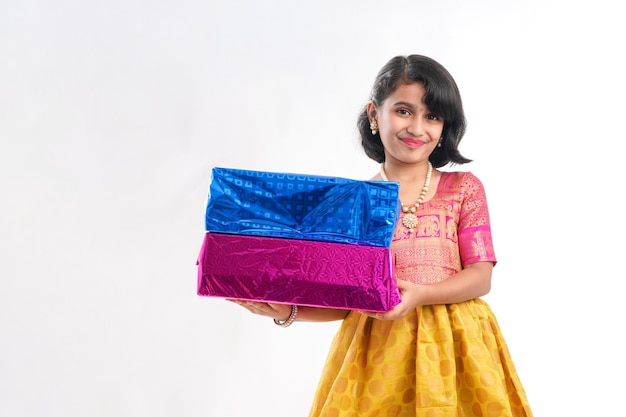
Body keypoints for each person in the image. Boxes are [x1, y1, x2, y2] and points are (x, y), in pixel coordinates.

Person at [229, 54, 533, 417]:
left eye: (432, 116)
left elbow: (481, 277)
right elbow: (347, 301)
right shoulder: (355, 201)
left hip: (459, 350)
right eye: (404, 111)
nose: (418, 128)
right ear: (375, 114)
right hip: (378, 354)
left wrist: (421, 295)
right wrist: (290, 310)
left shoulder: (464, 189)